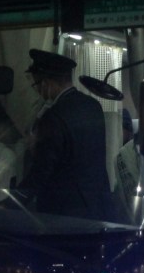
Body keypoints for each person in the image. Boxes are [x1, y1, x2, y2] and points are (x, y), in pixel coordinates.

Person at [21, 49, 115, 220]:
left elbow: (42, 170)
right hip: (97, 206)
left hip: (65, 214)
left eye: (36, 85)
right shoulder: (93, 106)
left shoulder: (53, 116)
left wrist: (14, 201)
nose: (38, 91)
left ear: (46, 83)